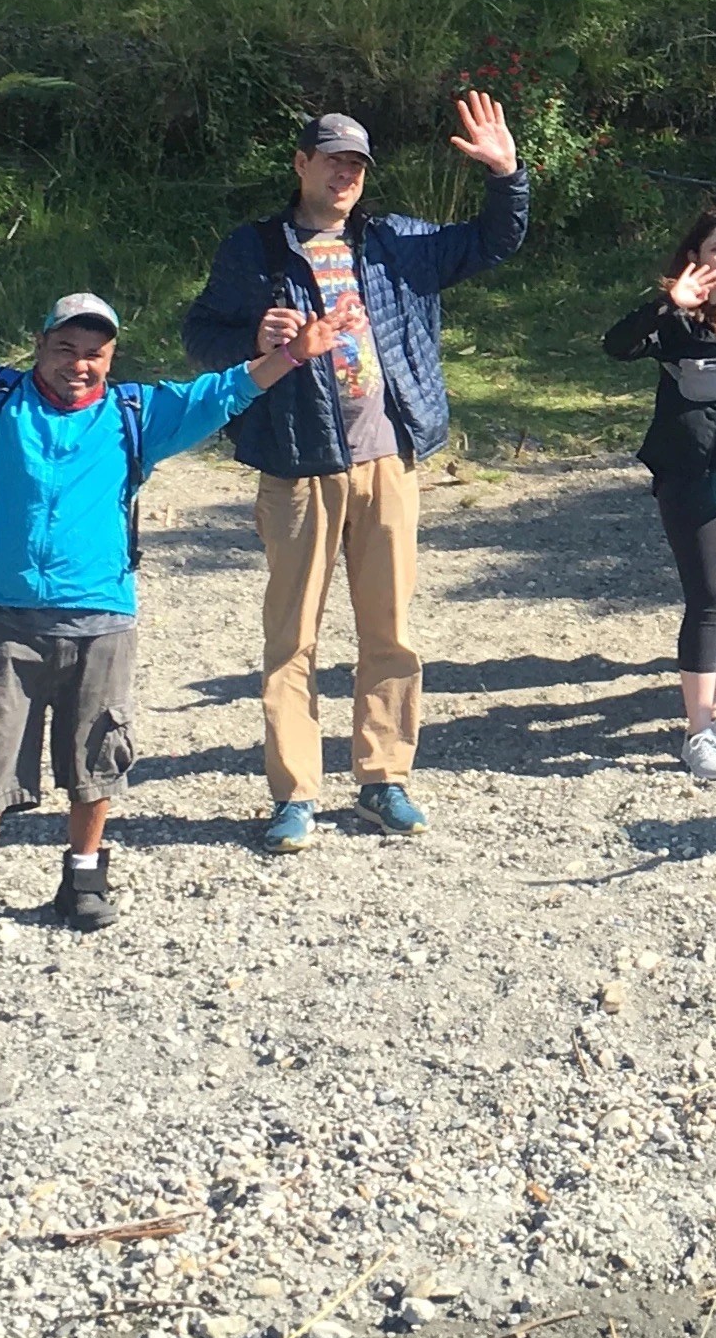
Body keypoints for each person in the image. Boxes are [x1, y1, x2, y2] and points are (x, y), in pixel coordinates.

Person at [0, 196, 352, 959]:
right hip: (6, 619)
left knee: (96, 755)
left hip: (101, 615)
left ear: (111, 359)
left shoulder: (139, 413)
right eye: (67, 347)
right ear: (40, 345)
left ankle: (84, 874)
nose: (80, 364)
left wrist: (297, 353)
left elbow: (229, 389)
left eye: (95, 353)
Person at [181, 95, 529, 853]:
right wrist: (253, 333)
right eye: (332, 157)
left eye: (356, 163)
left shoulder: (399, 242)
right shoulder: (255, 250)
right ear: (301, 163)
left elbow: (494, 242)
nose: (345, 172)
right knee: (291, 638)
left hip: (386, 461)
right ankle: (295, 793)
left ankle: (383, 777)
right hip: (296, 465)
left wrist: (506, 175)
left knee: (390, 631)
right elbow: (198, 336)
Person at [604, 210, 716, 782]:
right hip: (692, 468)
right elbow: (616, 346)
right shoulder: (677, 317)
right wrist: (670, 302)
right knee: (708, 591)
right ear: (695, 254)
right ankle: (697, 734)